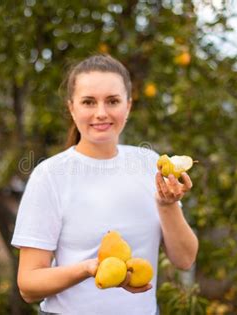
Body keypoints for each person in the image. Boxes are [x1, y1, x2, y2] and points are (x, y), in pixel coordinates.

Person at [11, 54, 198, 315]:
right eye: (88, 102)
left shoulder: (149, 164)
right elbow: (28, 285)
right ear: (72, 107)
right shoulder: (50, 176)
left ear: (128, 106)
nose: (101, 113)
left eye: (112, 101)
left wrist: (167, 205)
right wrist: (89, 269)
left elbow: (185, 259)